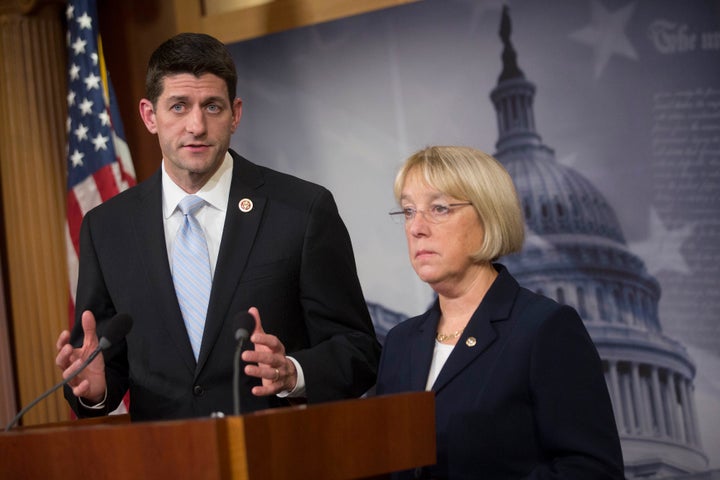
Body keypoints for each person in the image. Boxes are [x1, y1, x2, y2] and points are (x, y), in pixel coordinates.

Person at [55, 32, 380, 421]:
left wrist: (293, 371)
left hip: (278, 455)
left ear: (235, 114)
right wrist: (96, 389)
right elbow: (104, 365)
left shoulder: (301, 210)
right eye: (178, 107)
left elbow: (359, 349)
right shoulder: (106, 228)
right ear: (149, 116)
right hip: (165, 461)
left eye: (212, 107)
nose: (196, 126)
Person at [376, 146, 624, 479]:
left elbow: (593, 470)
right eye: (408, 211)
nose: (416, 228)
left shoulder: (544, 329)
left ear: (489, 215)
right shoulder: (400, 343)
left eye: (439, 208)